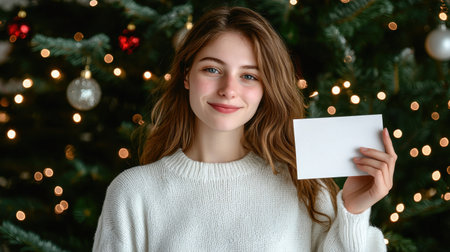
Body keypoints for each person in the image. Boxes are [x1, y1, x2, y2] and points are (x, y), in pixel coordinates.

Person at [93, 6, 397, 251]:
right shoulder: (133, 192)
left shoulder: (303, 186)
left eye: (249, 76)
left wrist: (354, 209)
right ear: (186, 76)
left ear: (266, 87)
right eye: (212, 69)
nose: (229, 89)